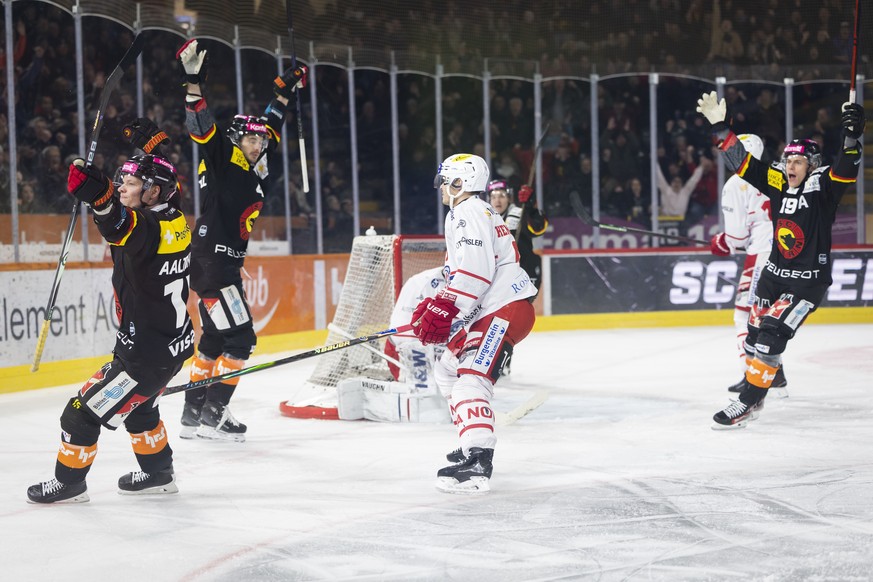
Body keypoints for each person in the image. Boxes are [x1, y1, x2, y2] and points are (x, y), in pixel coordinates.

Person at [27, 141, 193, 503]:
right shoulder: (174, 220)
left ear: (153, 191)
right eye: (120, 181)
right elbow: (127, 224)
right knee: (142, 408)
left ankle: (70, 484)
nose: (121, 187)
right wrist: (105, 193)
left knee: (79, 415)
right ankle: (158, 473)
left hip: (145, 357)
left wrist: (100, 197)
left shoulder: (148, 227)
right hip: (170, 346)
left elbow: (119, 226)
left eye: (130, 183)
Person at [697, 90, 865, 429]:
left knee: (773, 334)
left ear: (812, 166)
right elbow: (741, 162)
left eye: (798, 161)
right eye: (787, 159)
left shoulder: (823, 188)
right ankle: (757, 392)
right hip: (773, 275)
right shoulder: (776, 181)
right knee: (754, 333)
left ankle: (745, 403)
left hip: (806, 283)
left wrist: (852, 135)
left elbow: (847, 165)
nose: (790, 165)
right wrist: (719, 126)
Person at [175, 39, 306, 442]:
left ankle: (193, 415)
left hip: (216, 262)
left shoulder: (253, 168)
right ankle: (215, 412)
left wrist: (281, 96)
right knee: (242, 338)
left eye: (260, 142)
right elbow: (200, 125)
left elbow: (270, 130)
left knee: (215, 337)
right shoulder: (221, 157)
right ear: (235, 141)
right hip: (214, 263)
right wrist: (193, 83)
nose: (259, 144)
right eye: (251, 141)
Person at [415, 153, 537, 494]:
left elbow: (475, 274)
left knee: (470, 380)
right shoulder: (473, 212)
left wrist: (446, 310)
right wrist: (437, 303)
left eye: (444, 181)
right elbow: (460, 272)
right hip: (495, 307)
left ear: (460, 183)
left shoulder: (467, 213)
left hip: (504, 309)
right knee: (447, 369)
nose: (440, 187)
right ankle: (471, 441)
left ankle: (480, 458)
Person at [709, 133, 788, 396]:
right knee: (769, 317)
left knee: (746, 315)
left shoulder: (735, 184)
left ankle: (752, 377)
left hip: (761, 254)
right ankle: (774, 375)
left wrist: (722, 242)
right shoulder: (777, 173)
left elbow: (736, 237)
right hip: (787, 251)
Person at [486, 179, 548, 290]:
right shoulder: (485, 220)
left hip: (524, 271)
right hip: (498, 275)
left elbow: (539, 228)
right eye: (493, 197)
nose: (497, 201)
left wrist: (530, 208)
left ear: (509, 198)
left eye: (502, 196)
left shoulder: (519, 213)